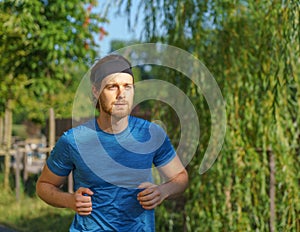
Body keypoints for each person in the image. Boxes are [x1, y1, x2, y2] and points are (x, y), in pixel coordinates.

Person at [36, 54, 188, 231]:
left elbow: (180, 178)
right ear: (96, 91)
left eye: (127, 86)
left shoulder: (151, 134)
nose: (121, 94)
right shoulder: (73, 140)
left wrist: (163, 191)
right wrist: (69, 200)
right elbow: (44, 185)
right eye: (112, 87)